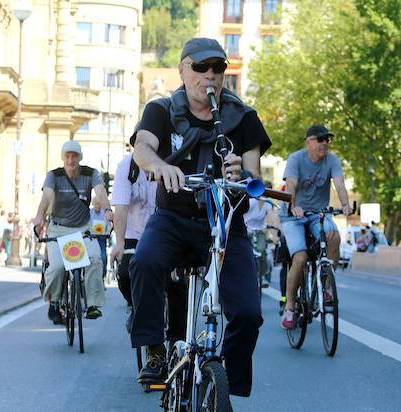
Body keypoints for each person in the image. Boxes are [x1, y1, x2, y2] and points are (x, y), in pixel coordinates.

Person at [129, 37, 270, 397]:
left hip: (224, 226)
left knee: (249, 313)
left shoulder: (242, 118)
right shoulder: (160, 110)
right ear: (182, 70)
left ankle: (222, 385)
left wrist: (242, 175)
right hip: (173, 218)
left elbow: (257, 177)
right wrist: (161, 166)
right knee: (144, 262)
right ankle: (156, 350)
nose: (209, 75)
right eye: (201, 67)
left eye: (218, 68)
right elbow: (142, 149)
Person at [279, 125, 353, 330]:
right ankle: (290, 306)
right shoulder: (296, 159)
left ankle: (327, 286)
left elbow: (340, 185)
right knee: (300, 257)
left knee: (333, 236)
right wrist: (293, 206)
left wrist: (345, 205)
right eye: (320, 139)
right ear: (308, 142)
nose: (324, 143)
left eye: (327, 140)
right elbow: (291, 185)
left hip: (318, 213)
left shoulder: (333, 160)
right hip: (294, 215)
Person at [34, 140, 112, 321]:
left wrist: (107, 210)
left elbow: (101, 193)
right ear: (63, 158)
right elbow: (46, 196)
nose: (71, 160)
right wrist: (39, 215)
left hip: (83, 229)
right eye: (67, 156)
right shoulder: (54, 175)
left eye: (74, 156)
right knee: (59, 266)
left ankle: (92, 304)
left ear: (80, 157)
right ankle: (54, 302)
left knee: (95, 259)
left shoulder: (90, 173)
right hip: (58, 229)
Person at [109, 150, 158, 333]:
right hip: (133, 232)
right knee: (125, 275)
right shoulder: (127, 167)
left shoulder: (165, 160)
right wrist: (119, 242)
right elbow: (120, 208)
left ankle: (175, 336)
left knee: (173, 282)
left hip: (160, 230)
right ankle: (134, 305)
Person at [244, 192, 275, 288]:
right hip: (247, 229)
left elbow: (272, 217)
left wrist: (276, 229)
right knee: (246, 252)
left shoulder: (267, 204)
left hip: (260, 231)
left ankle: (263, 276)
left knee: (262, 251)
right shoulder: (252, 202)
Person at [89, 198, 109, 278]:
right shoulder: (89, 212)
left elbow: (108, 224)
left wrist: (108, 231)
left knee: (103, 257)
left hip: (102, 237)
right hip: (92, 238)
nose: (98, 205)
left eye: (99, 203)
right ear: (93, 204)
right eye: (96, 203)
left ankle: (103, 275)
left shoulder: (104, 213)